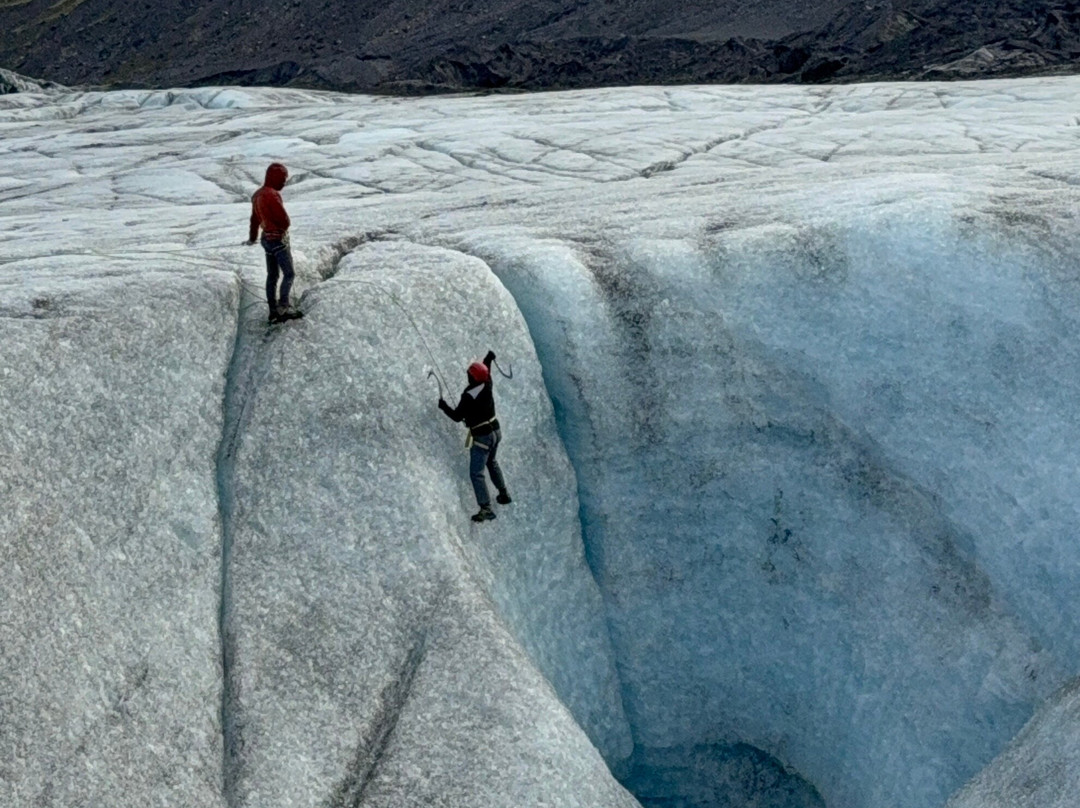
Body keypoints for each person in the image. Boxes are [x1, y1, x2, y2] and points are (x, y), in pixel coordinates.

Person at [439, 351, 512, 522]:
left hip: (482, 437)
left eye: (469, 375)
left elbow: (457, 417)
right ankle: (503, 493)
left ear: (472, 378)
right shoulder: (487, 383)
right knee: (492, 462)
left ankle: (486, 508)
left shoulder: (469, 396)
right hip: (496, 431)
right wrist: (488, 358)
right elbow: (487, 370)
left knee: (476, 473)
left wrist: (443, 406)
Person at [247, 162, 301, 323]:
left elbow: (254, 220)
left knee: (272, 275)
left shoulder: (257, 195)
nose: (284, 182)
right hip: (277, 239)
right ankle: (283, 307)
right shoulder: (272, 194)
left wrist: (252, 238)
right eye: (283, 178)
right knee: (289, 273)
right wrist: (284, 227)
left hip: (266, 240)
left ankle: (272, 310)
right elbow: (283, 219)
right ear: (274, 177)